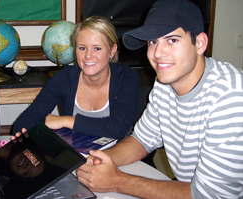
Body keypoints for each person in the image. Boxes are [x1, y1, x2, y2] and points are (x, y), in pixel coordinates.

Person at [76, 0, 243, 198]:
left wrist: (116, 181)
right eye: (152, 42)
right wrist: (94, 162)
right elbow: (141, 140)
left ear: (200, 43)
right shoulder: (164, 84)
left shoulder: (230, 96)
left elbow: (209, 195)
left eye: (172, 40)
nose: (158, 54)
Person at [13, 16, 139, 140]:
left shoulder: (127, 77)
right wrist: (22, 134)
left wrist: (66, 121)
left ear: (112, 50)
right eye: (82, 48)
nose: (88, 56)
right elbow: (29, 117)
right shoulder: (63, 78)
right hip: (77, 155)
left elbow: (117, 128)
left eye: (97, 48)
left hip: (117, 155)